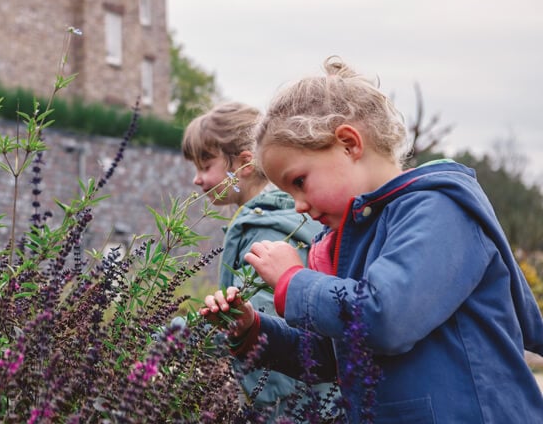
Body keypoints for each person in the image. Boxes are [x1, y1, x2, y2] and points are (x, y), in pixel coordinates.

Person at [200, 57, 543, 423]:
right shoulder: (355, 235)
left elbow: (387, 318)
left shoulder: (438, 210)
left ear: (349, 144)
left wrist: (293, 281)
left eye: (299, 181)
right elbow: (336, 355)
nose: (298, 206)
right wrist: (255, 331)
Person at [182, 102, 327, 416]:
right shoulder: (290, 216)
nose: (197, 179)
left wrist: (164, 340)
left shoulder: (266, 232)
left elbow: (259, 332)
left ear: (244, 164)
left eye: (205, 165)